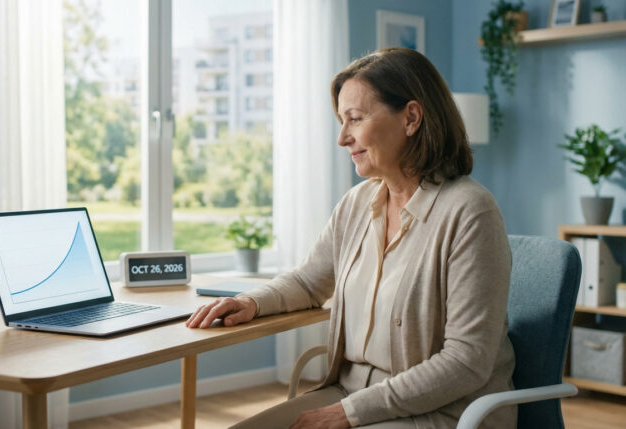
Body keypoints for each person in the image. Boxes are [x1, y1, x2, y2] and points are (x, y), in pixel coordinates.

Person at [186, 47, 516, 429]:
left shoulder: (470, 211)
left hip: (443, 411)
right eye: (342, 122)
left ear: (410, 117)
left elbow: (465, 362)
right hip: (350, 393)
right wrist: (251, 302)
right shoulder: (357, 204)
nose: (343, 138)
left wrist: (350, 413)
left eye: (355, 119)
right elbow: (309, 282)